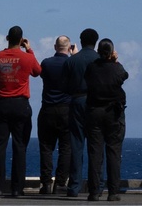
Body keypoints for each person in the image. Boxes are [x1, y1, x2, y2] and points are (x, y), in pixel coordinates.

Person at [0, 26, 42, 198]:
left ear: (7, 38)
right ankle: (17, 188)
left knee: (0, 146)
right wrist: (29, 49)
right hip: (20, 104)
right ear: (22, 39)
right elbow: (38, 72)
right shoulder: (27, 58)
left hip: (1, 104)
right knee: (20, 147)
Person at [85, 39, 128, 202]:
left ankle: (94, 191)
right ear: (111, 52)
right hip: (113, 113)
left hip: (94, 111)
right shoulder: (116, 68)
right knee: (114, 152)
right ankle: (113, 192)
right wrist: (115, 61)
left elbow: (87, 77)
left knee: (95, 153)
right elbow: (125, 75)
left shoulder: (91, 68)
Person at [62, 28, 100, 197]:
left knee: (76, 145)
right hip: (97, 104)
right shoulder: (101, 59)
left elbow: (64, 86)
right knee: (97, 146)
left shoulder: (72, 61)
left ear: (80, 41)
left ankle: (74, 186)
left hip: (77, 101)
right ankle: (97, 186)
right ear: (96, 41)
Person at [38, 35, 73, 194]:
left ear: (54, 47)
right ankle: (60, 183)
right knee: (65, 148)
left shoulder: (46, 63)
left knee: (46, 148)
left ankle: (45, 183)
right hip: (66, 109)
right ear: (69, 47)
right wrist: (75, 55)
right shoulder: (71, 63)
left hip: (47, 109)